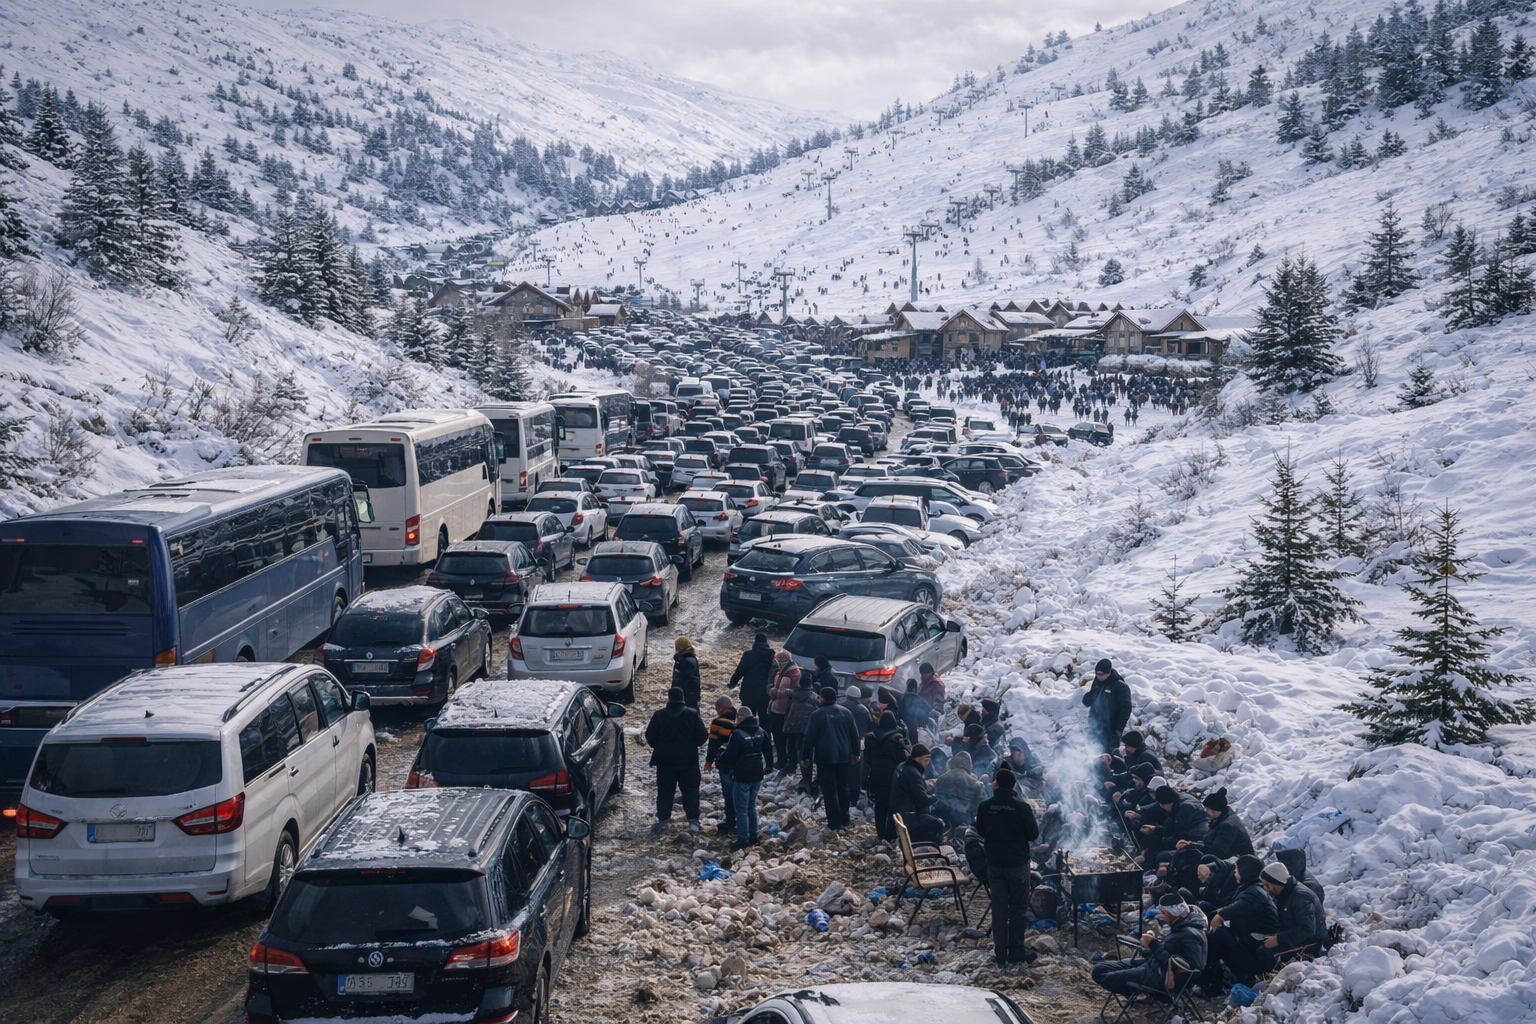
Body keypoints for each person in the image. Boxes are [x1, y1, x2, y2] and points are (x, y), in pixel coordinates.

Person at [974, 765, 1040, 967]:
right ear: (1013, 786)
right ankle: (1016, 952)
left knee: (1000, 908)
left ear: (995, 785)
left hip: (995, 864)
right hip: (1017, 864)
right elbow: (1033, 835)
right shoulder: (1022, 807)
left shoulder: (985, 806)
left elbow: (982, 831)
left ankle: (1000, 953)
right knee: (1018, 909)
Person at [1091, 893, 1209, 997]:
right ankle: (1133, 992)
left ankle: (1136, 994)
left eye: (1164, 913)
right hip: (1152, 965)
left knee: (1107, 978)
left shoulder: (1190, 934)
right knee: (1099, 969)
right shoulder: (1180, 927)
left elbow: (1193, 969)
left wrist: (1152, 944)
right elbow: (1169, 951)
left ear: (1174, 913)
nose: (1162, 916)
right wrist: (1147, 945)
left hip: (1161, 977)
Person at [1199, 855, 1280, 995]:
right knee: (1217, 933)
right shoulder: (1252, 888)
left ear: (1246, 871)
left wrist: (1219, 916)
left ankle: (1214, 984)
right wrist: (1215, 911)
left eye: (1237, 870)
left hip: (1256, 947)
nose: (1235, 873)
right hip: (1251, 939)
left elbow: (1238, 907)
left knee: (1211, 936)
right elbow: (1234, 905)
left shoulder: (1254, 892)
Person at [645, 687, 708, 835]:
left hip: (665, 760)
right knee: (691, 790)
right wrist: (692, 745)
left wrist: (660, 747)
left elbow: (650, 736)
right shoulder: (692, 714)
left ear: (669, 698)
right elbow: (703, 735)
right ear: (683, 698)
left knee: (665, 792)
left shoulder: (659, 715)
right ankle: (693, 822)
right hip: (688, 760)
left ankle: (663, 822)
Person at [801, 686, 860, 830]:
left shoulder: (817, 714)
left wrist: (805, 757)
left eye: (819, 697)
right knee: (843, 787)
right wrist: (856, 753)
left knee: (829, 791)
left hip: (825, 758)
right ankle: (845, 819)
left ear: (823, 698)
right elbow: (855, 736)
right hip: (844, 757)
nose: (818, 699)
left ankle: (834, 823)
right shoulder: (846, 713)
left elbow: (808, 739)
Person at [717, 708, 767, 850]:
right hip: (757, 774)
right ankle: (753, 836)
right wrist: (768, 766)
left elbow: (730, 755)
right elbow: (768, 749)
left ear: (739, 718)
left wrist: (721, 759)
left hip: (742, 775)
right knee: (751, 806)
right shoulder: (761, 731)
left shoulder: (737, 734)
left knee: (741, 809)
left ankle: (742, 840)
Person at [1259, 861, 1328, 958]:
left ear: (1276, 882)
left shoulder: (1301, 897)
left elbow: (1307, 930)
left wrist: (1278, 939)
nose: (1265, 889)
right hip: (1294, 938)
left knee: (1264, 954)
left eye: (1267, 885)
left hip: (1309, 945)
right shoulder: (1284, 893)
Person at [864, 710, 909, 841]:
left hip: (876, 777)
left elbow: (867, 759)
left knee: (880, 806)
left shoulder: (870, 738)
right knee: (893, 807)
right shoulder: (897, 739)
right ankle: (890, 835)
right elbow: (903, 759)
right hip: (893, 778)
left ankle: (880, 834)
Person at [1140, 785, 1210, 869]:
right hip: (1192, 836)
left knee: (1160, 856)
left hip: (1196, 842)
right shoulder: (1182, 799)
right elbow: (1174, 828)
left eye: (1162, 804)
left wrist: (1158, 843)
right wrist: (1155, 829)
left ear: (1168, 802)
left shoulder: (1185, 808)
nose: (1161, 807)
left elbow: (1178, 835)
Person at [730, 632, 776, 757]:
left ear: (754, 643)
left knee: (748, 718)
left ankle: (747, 742)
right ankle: (765, 744)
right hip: (765, 694)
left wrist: (732, 683)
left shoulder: (748, 655)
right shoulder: (772, 657)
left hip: (749, 692)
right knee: (765, 720)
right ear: (766, 643)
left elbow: (740, 671)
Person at [890, 743, 944, 844]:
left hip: (897, 811)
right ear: (918, 758)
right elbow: (923, 801)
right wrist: (936, 796)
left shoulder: (902, 766)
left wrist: (926, 787)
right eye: (926, 760)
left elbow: (912, 789)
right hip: (908, 815)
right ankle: (925, 844)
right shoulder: (913, 772)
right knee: (938, 824)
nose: (927, 763)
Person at [1081, 657, 1132, 753]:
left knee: (1107, 756)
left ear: (1109, 672)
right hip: (1095, 725)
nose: (1098, 676)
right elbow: (1087, 701)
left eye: (1101, 674)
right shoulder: (1097, 682)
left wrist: (1118, 730)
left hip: (1111, 729)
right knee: (1092, 752)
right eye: (1097, 674)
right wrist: (1091, 694)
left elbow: (1126, 709)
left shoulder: (1120, 686)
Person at [704, 697, 737, 835]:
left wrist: (708, 762)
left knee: (728, 794)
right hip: (741, 764)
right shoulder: (740, 719)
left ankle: (730, 821)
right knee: (740, 793)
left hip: (724, 763)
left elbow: (713, 744)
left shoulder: (717, 723)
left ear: (719, 709)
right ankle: (742, 821)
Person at [782, 674, 819, 792]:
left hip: (792, 726)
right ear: (810, 684)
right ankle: (806, 776)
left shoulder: (793, 694)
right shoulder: (814, 696)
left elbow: (786, 697)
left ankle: (791, 766)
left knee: (791, 747)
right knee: (805, 753)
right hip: (807, 729)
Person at [767, 651, 801, 772]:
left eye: (781, 661)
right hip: (786, 710)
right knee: (786, 738)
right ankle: (788, 760)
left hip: (780, 710)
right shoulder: (793, 672)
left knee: (779, 737)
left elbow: (782, 693)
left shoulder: (787, 675)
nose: (779, 664)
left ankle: (783, 761)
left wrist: (771, 691)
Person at [1197, 788, 1255, 859]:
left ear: (1215, 810)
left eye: (1207, 809)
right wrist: (1192, 844)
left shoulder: (1227, 826)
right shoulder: (1223, 818)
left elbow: (1217, 853)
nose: (1206, 812)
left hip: (1240, 865)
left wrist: (1195, 850)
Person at [934, 749, 986, 828]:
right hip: (965, 820)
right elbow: (982, 804)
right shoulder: (975, 783)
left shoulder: (941, 778)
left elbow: (937, 800)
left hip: (943, 820)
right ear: (969, 765)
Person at [673, 636, 702, 709]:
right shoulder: (682, 660)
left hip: (687, 701)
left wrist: (682, 698)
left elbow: (692, 682)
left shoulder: (688, 662)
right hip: (682, 699)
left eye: (676, 647)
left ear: (680, 648)